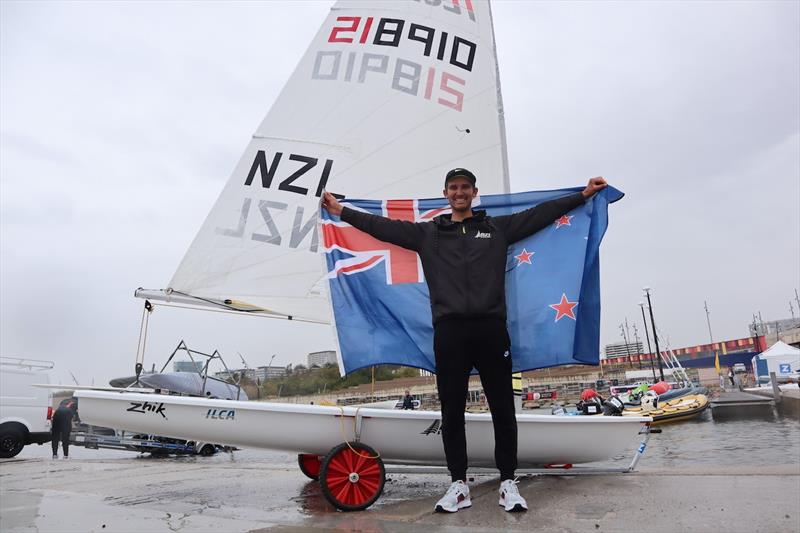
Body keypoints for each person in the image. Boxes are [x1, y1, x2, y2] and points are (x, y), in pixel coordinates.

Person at [322, 170, 607, 513]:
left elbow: (540, 215)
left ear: (474, 192)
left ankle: (507, 483)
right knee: (451, 413)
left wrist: (583, 195)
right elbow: (382, 227)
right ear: (446, 193)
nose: (459, 193)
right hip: (450, 332)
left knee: (503, 410)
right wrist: (341, 212)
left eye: (465, 188)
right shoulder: (428, 234)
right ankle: (458, 484)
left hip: (491, 330)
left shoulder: (498, 228)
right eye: (454, 188)